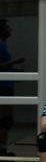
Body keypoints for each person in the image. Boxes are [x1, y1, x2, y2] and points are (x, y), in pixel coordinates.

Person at [0, 19, 25, 155]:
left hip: (7, 85)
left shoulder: (3, 44)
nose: (10, 30)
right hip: (2, 87)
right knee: (4, 121)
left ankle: (3, 149)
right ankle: (2, 151)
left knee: (6, 121)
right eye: (7, 27)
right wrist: (15, 61)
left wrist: (14, 71)